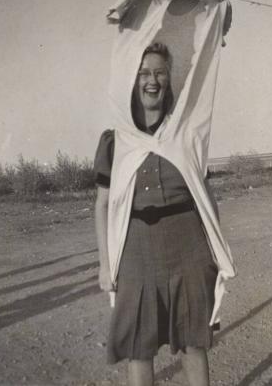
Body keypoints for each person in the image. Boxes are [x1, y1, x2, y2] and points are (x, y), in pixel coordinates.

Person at [95, 42, 222, 386]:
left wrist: (214, 251)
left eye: (159, 72)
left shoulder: (185, 132)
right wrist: (106, 265)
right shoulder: (115, 140)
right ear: (132, 81)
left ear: (169, 79)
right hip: (136, 247)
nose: (152, 81)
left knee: (194, 341)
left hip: (188, 244)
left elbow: (205, 194)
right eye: (143, 73)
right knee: (139, 345)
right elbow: (103, 204)